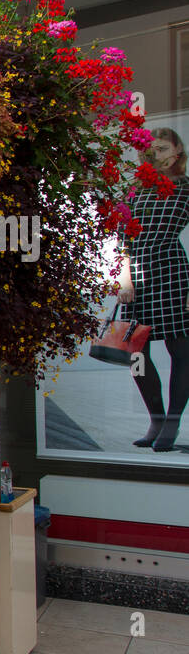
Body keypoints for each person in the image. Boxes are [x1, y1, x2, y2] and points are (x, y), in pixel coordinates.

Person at [117, 128, 189, 451]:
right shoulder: (135, 190)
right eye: (151, 149)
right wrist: (124, 277)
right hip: (138, 280)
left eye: (162, 148)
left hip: (172, 272)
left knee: (181, 351)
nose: (156, 154)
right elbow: (122, 238)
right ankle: (156, 420)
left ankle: (170, 425)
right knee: (136, 354)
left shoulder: (185, 189)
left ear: (177, 151)